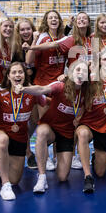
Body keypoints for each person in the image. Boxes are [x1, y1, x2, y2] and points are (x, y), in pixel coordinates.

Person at [17, 59, 90, 192]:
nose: (80, 74)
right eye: (77, 70)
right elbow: (41, 89)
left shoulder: (86, 91)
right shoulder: (60, 86)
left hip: (67, 133)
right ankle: (42, 177)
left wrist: (79, 118)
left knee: (62, 177)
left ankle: (57, 159)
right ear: (71, 73)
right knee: (42, 131)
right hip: (50, 128)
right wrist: (24, 89)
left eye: (84, 71)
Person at [0, 62, 46, 200]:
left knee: (15, 180)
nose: (17, 75)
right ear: (8, 76)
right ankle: (5, 185)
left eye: (20, 72)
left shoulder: (32, 94)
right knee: (3, 140)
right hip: (0, 134)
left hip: (19, 138)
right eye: (13, 72)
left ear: (25, 75)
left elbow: (35, 118)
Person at [76, 49, 106, 193]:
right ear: (99, 63)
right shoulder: (90, 79)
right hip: (88, 124)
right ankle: (87, 176)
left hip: (105, 127)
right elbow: (74, 77)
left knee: (101, 173)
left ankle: (95, 156)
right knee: (82, 134)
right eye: (105, 59)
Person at [25, 10, 66, 172]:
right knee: (43, 123)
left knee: (58, 123)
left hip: (58, 88)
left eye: (56, 17)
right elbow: (28, 61)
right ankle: (44, 157)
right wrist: (34, 40)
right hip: (42, 88)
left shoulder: (64, 39)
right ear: (46, 21)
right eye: (50, 18)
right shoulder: (42, 37)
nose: (54, 20)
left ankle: (57, 157)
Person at [13, 18, 39, 170]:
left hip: (37, 86)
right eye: (22, 29)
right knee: (22, 121)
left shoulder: (38, 43)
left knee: (35, 119)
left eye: (28, 29)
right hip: (21, 88)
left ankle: (22, 143)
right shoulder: (15, 48)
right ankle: (28, 154)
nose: (25, 32)